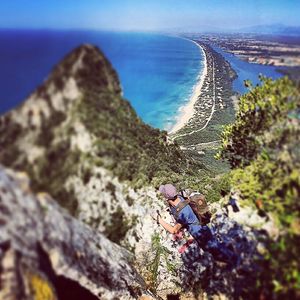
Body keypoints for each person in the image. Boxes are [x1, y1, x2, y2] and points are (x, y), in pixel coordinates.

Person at [154, 183, 237, 266]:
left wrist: (159, 219)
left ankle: (234, 260)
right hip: (202, 228)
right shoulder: (180, 198)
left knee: (213, 247)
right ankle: (226, 257)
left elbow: (173, 230)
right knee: (213, 244)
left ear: (167, 197)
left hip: (200, 233)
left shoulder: (183, 212)